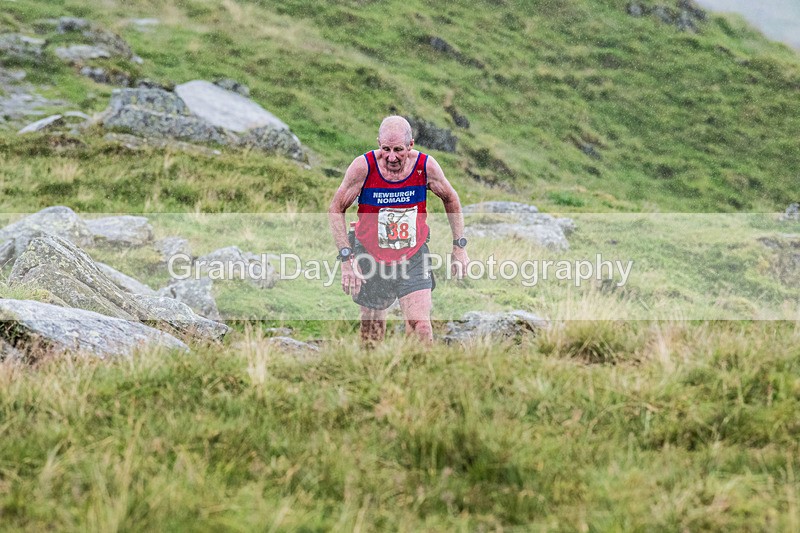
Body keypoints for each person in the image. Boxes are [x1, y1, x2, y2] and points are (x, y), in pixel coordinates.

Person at [328, 116, 469, 345]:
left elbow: (451, 199)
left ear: (411, 145)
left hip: (413, 257)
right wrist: (346, 259)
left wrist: (459, 247)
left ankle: (419, 377)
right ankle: (372, 376)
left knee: (421, 326)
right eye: (385, 149)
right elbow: (336, 209)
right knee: (372, 334)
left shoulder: (426, 166)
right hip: (370, 256)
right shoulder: (363, 167)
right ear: (378, 143)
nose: (391, 157)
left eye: (398, 150)